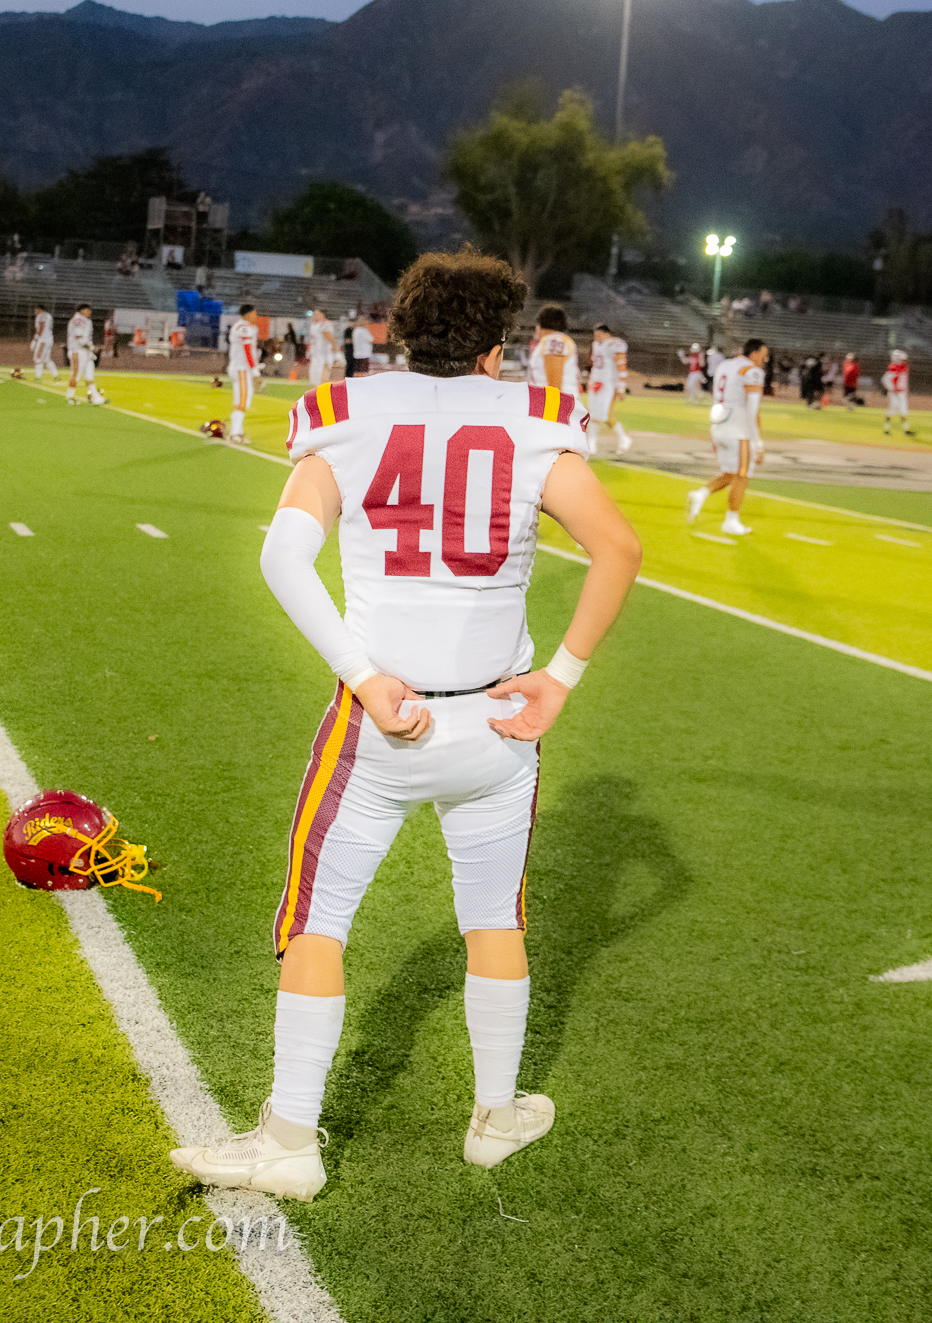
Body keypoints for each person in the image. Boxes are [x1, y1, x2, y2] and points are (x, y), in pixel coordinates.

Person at [168, 250, 641, 1202]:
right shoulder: (538, 419)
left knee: (318, 923)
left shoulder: (345, 411)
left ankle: (289, 1140)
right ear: (497, 347)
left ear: (397, 330)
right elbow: (618, 548)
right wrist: (560, 680)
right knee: (493, 917)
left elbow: (283, 559)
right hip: (499, 722)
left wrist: (363, 675)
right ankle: (495, 1117)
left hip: (383, 723)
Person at [687, 338, 767, 535]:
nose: (764, 361)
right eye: (763, 356)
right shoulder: (752, 371)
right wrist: (758, 443)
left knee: (730, 473)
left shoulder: (725, 365)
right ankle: (731, 521)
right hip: (738, 429)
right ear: (754, 354)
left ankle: (701, 494)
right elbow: (752, 410)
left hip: (720, 425)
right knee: (742, 475)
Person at [586, 323, 632, 456]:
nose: (597, 338)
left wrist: (621, 387)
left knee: (607, 416)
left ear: (606, 334)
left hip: (609, 384)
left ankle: (624, 438)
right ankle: (591, 445)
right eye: (595, 335)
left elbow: (621, 365)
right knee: (593, 413)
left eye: (599, 335)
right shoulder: (596, 345)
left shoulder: (614, 344)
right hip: (596, 383)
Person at [526, 306, 579, 398]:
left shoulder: (554, 340)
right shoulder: (552, 340)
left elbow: (554, 384)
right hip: (553, 399)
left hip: (555, 401)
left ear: (539, 325)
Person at [227, 303, 261, 439]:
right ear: (248, 314)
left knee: (240, 401)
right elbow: (247, 351)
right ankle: (235, 432)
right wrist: (255, 371)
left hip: (239, 367)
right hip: (242, 368)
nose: (256, 316)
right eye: (254, 313)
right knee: (243, 400)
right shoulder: (244, 328)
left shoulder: (244, 326)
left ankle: (238, 431)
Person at [67, 303, 106, 405]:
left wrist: (90, 349)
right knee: (76, 375)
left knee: (89, 376)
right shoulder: (79, 319)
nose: (89, 312)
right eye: (87, 310)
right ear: (82, 310)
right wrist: (92, 347)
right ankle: (70, 396)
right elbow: (79, 337)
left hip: (85, 352)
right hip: (78, 351)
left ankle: (96, 397)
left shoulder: (84, 320)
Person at [881, 349, 913, 437]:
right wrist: (891, 388)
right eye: (903, 360)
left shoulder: (902, 367)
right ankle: (887, 429)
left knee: (904, 412)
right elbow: (886, 379)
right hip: (895, 394)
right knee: (891, 411)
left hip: (901, 393)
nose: (905, 362)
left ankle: (906, 430)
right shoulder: (894, 368)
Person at [307, 309, 338, 387]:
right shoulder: (316, 325)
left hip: (322, 352)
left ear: (322, 315)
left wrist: (333, 346)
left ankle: (320, 388)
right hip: (317, 352)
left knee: (321, 372)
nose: (314, 316)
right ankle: (317, 389)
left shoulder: (323, 324)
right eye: (314, 315)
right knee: (317, 374)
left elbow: (327, 335)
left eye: (317, 314)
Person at [29, 304, 58, 383]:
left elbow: (41, 327)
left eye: (36, 310)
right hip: (49, 339)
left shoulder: (41, 315)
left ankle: (38, 377)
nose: (35, 312)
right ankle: (56, 375)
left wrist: (35, 339)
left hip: (43, 340)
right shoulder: (49, 315)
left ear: (39, 309)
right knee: (46, 359)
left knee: (38, 358)